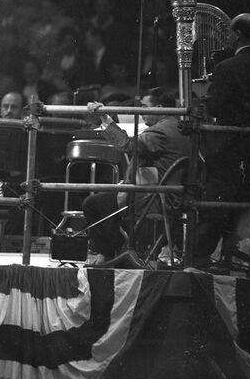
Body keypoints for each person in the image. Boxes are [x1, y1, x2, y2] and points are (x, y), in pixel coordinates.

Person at [195, 13, 250, 267]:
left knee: (219, 204)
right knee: (245, 202)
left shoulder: (227, 68)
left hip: (230, 146)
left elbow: (217, 106)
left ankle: (202, 256)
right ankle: (233, 257)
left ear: (238, 34)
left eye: (230, 33)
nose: (228, 38)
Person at [82, 87, 191, 264]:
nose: (141, 113)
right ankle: (116, 250)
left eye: (144, 107)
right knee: (111, 197)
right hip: (174, 195)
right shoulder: (180, 127)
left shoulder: (160, 132)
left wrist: (105, 118)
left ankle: (109, 253)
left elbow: (126, 145)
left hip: (154, 198)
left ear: (160, 107)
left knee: (92, 204)